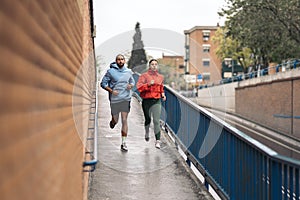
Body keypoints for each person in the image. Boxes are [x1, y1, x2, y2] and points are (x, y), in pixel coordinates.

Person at [100, 54, 135, 152]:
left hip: (125, 99)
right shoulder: (110, 72)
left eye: (122, 59)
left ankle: (124, 143)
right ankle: (113, 122)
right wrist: (111, 91)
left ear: (124, 61)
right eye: (118, 60)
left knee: (124, 120)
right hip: (115, 100)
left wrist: (131, 85)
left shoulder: (128, 72)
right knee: (116, 120)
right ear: (116, 61)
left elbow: (132, 82)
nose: (120, 61)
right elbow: (103, 84)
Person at [136, 59, 166, 149]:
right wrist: (148, 84)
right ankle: (147, 132)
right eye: (152, 64)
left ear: (157, 66)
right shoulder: (144, 76)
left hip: (157, 101)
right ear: (149, 66)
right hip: (147, 101)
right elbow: (139, 87)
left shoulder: (160, 77)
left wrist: (163, 94)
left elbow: (161, 87)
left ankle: (157, 141)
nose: (154, 66)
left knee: (156, 121)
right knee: (148, 119)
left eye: (155, 64)